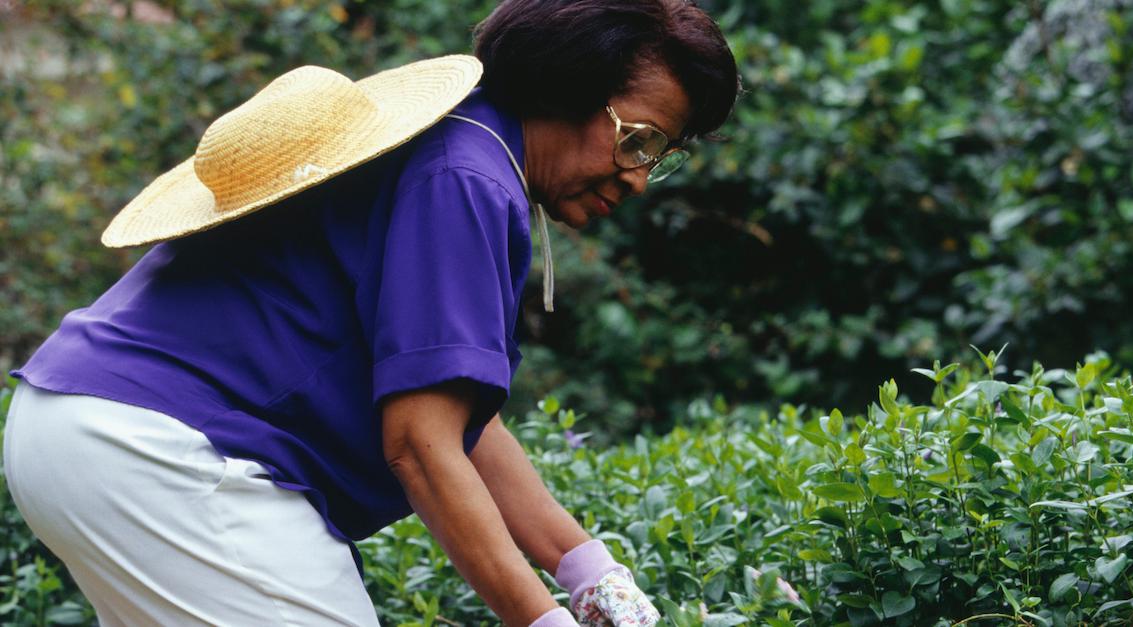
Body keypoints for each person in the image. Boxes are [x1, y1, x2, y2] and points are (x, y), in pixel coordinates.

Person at [2, 0, 739, 625]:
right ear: (567, 83)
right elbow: (420, 446)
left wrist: (593, 575)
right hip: (160, 452)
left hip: (75, 426)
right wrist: (543, 618)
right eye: (636, 138)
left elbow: (462, 424)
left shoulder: (464, 145)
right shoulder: (467, 175)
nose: (640, 178)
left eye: (661, 153)